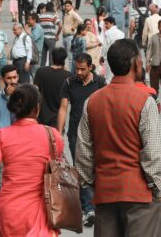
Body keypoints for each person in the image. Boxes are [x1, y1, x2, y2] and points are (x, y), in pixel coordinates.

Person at [75, 38, 161, 236]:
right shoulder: (144, 101)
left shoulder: (92, 102)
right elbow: (154, 153)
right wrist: (157, 188)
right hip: (140, 196)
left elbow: (83, 153)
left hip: (106, 195)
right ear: (136, 63)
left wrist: (92, 182)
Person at [0, 84, 63, 236]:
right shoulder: (53, 135)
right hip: (41, 210)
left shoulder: (2, 135)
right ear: (37, 108)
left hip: (9, 212)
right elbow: (57, 172)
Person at [57, 53, 106, 227]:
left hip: (97, 132)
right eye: (76, 68)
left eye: (82, 69)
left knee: (96, 167)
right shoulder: (69, 83)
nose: (78, 72)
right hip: (75, 134)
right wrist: (59, 132)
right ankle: (88, 208)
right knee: (80, 168)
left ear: (90, 67)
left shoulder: (100, 83)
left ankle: (95, 204)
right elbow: (63, 108)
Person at [34, 47, 71, 128]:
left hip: (41, 117)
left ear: (52, 57)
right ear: (64, 59)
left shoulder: (40, 71)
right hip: (57, 120)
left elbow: (35, 92)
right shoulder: (68, 76)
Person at [38, 3, 59, 68]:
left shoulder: (40, 16)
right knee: (51, 56)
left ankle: (42, 70)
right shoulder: (53, 16)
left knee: (43, 56)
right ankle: (51, 70)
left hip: (43, 38)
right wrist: (57, 34)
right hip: (51, 38)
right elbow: (60, 25)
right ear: (52, 7)